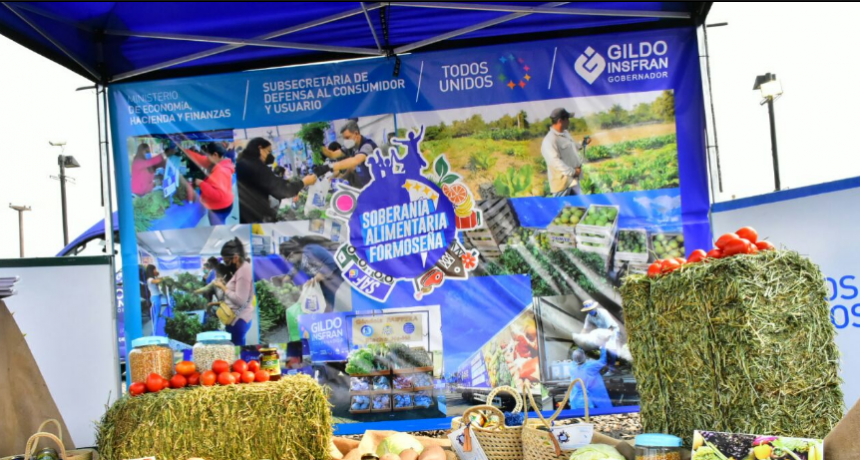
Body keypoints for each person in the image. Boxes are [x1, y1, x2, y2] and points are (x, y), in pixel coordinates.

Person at [236, 138, 317, 223]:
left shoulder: (242, 163)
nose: (270, 156)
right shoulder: (255, 166)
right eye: (268, 151)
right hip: (252, 218)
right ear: (260, 148)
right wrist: (304, 182)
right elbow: (283, 190)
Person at [279, 237, 348, 313]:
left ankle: (328, 316)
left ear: (292, 254)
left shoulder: (312, 250)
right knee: (318, 296)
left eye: (287, 259)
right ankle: (320, 313)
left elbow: (331, 261)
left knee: (327, 296)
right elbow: (296, 267)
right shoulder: (298, 259)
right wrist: (288, 276)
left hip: (333, 275)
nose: (288, 261)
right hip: (319, 277)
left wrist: (321, 273)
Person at [213, 238, 255, 345]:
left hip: (238, 320)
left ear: (235, 258)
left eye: (227, 261)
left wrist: (223, 287)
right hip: (238, 318)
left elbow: (240, 300)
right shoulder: (243, 269)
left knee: (236, 347)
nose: (226, 264)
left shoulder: (243, 272)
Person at [313, 121, 377, 189]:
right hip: (363, 187)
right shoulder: (351, 147)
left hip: (375, 186)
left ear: (356, 133)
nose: (346, 141)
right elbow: (331, 154)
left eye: (347, 137)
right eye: (344, 138)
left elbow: (356, 160)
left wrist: (329, 167)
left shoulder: (367, 146)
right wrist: (318, 143)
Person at [541, 108, 584, 197]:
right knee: (563, 209)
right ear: (560, 121)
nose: (569, 121)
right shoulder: (550, 140)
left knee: (579, 207)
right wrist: (573, 172)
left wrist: (581, 144)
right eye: (567, 119)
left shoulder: (565, 133)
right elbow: (555, 162)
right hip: (562, 186)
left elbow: (571, 147)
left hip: (573, 182)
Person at [190, 143, 235, 225]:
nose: (207, 158)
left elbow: (218, 195)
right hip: (226, 204)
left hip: (219, 208)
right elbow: (202, 159)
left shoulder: (221, 171)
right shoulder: (224, 164)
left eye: (208, 156)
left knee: (217, 229)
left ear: (215, 154)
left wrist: (201, 184)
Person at [144, 264, 166, 335]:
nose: (156, 271)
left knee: (157, 315)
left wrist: (158, 275)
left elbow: (157, 280)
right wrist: (163, 278)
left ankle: (156, 332)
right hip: (154, 299)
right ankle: (154, 334)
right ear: (151, 270)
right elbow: (156, 281)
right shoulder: (150, 279)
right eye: (155, 269)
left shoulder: (154, 278)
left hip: (158, 298)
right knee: (155, 317)